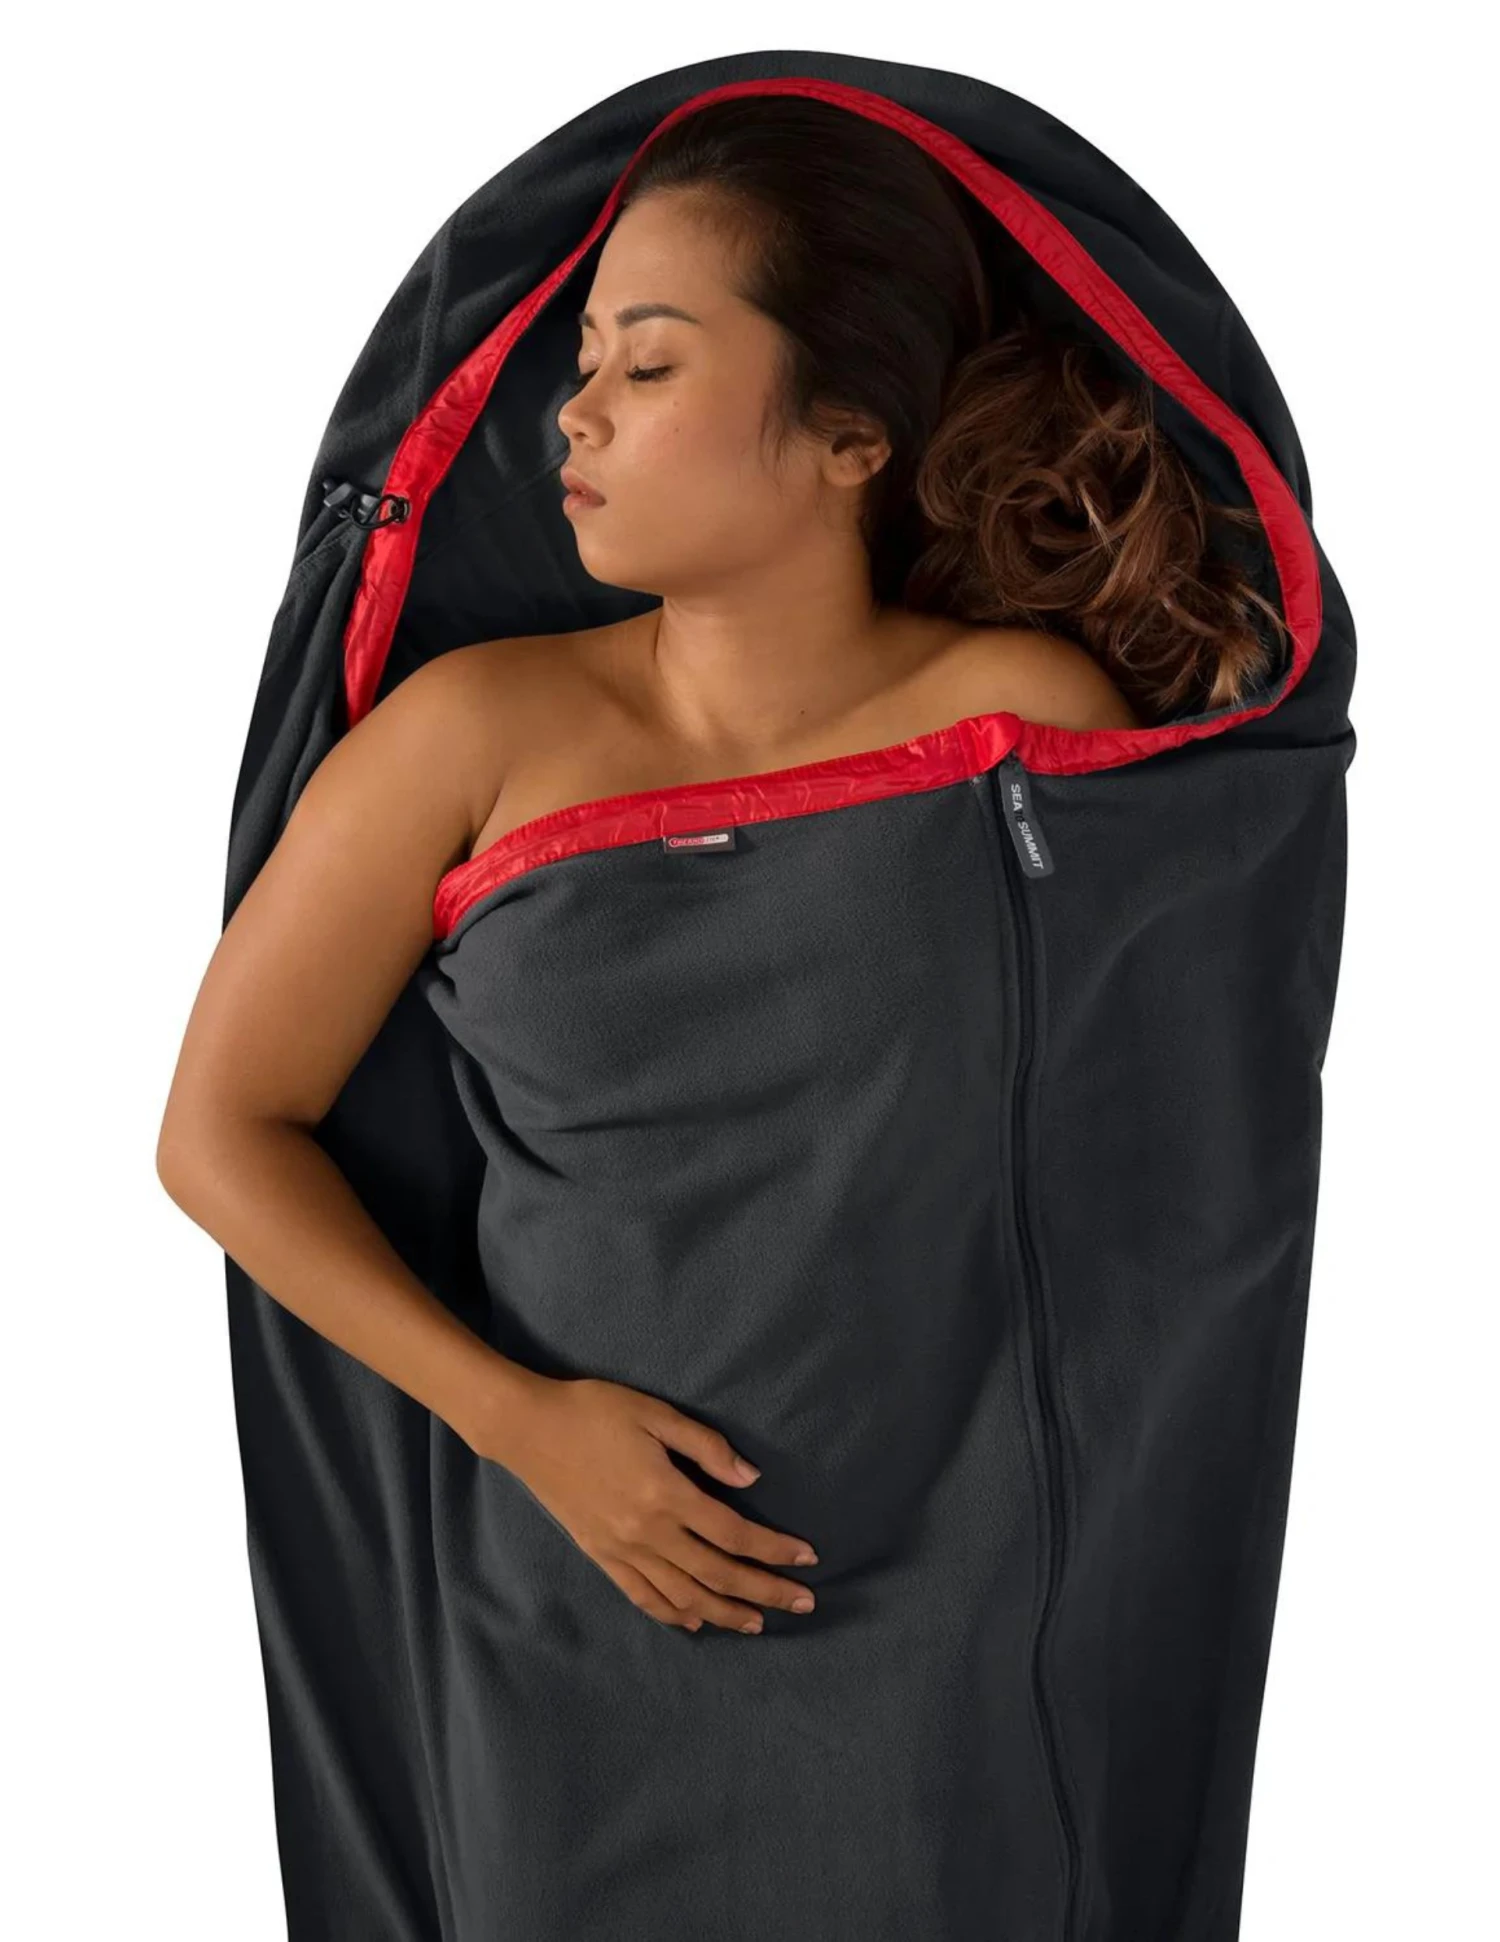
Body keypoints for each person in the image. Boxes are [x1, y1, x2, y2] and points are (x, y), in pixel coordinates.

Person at [157, 92, 1302, 1933]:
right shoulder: (469, 736)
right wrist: (524, 1426)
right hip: (577, 1611)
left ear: (850, 433)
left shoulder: (1028, 722)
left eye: (652, 361)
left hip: (964, 1628)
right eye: (581, 366)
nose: (576, 413)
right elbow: (219, 1131)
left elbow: (1171, 1148)